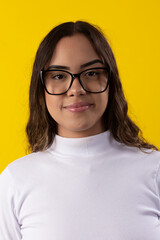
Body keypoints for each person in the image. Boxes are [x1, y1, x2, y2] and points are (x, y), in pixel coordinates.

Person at [0, 21, 160, 240]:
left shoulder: (154, 170)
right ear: (41, 88)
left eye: (91, 73)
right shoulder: (15, 181)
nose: (76, 89)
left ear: (111, 80)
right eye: (59, 76)